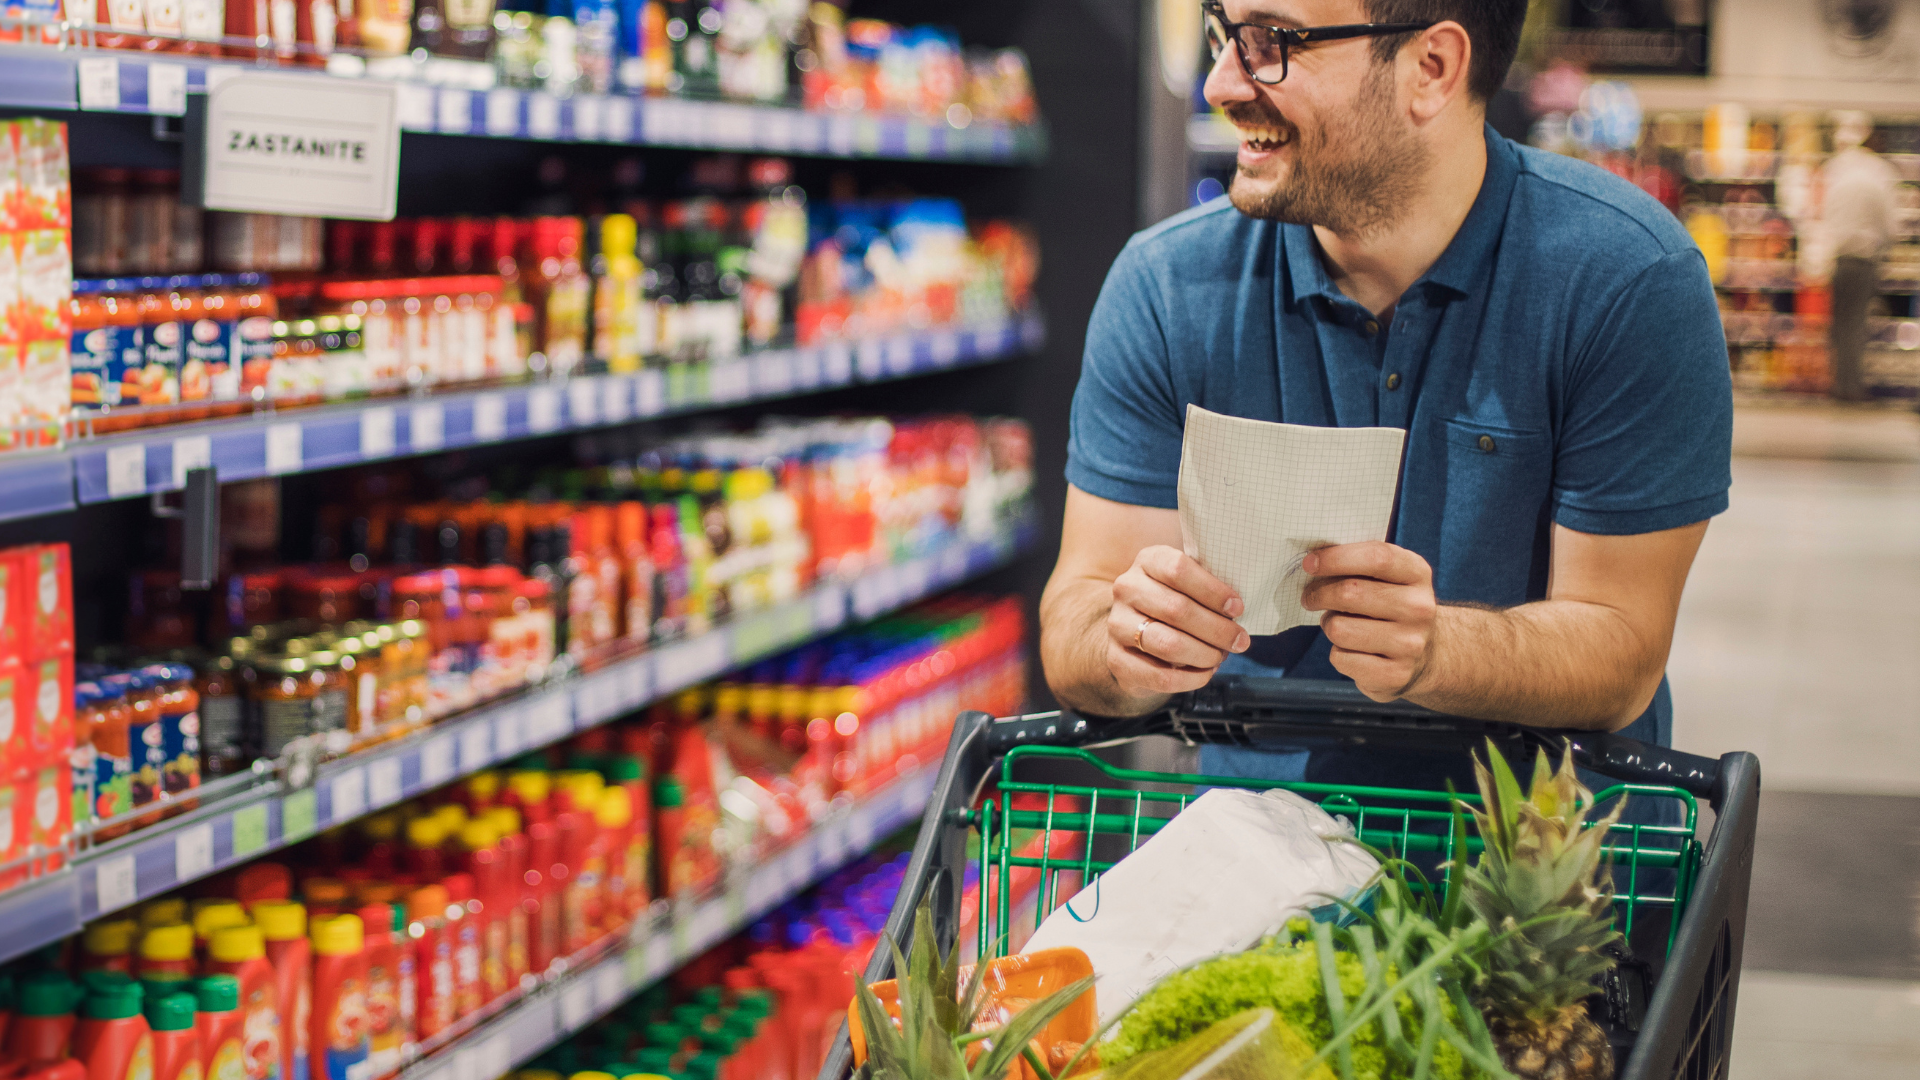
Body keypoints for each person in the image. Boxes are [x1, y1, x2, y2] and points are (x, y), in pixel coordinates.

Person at [1039, 0, 1733, 793]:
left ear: (1430, 70)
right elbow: (1076, 619)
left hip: (1545, 882)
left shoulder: (1625, 280)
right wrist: (1124, 645)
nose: (1222, 81)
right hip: (1254, 875)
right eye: (1221, 35)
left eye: (1272, 43)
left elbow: (1623, 651)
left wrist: (1436, 649)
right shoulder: (1168, 287)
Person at [1817, 111, 1899, 403]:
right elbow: (1890, 223)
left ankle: (1841, 384)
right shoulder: (1880, 172)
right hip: (1865, 258)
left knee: (1840, 325)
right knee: (1857, 324)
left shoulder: (1835, 169)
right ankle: (1851, 388)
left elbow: (1823, 217)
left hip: (1840, 258)